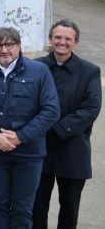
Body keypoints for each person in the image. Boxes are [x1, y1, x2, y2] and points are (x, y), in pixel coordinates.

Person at [0, 27, 59, 229]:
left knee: (22, 207)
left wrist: (20, 137)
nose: (4, 49)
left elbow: (51, 110)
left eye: (9, 44)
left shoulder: (39, 71)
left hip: (29, 153)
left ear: (19, 46)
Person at [32, 20, 102, 229]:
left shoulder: (90, 71)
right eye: (58, 37)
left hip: (73, 148)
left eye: (68, 38)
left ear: (76, 42)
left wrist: (58, 131)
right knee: (36, 207)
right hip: (38, 148)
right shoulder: (36, 66)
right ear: (50, 39)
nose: (62, 42)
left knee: (69, 209)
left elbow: (90, 108)